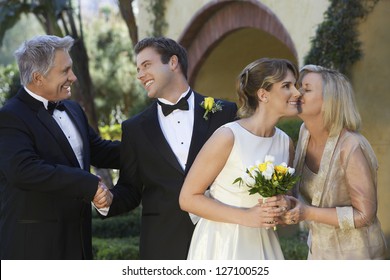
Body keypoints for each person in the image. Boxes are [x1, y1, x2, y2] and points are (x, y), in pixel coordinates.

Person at [99, 36, 237, 260]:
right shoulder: (134, 129)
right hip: (162, 245)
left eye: (146, 65)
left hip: (220, 237)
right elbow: (130, 190)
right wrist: (106, 200)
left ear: (173, 63)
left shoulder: (224, 113)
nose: (140, 75)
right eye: (138, 69)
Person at [0, 35, 120, 259]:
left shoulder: (73, 109)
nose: (73, 77)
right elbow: (24, 170)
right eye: (65, 71)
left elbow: (100, 151)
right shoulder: (9, 117)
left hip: (78, 245)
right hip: (33, 250)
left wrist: (150, 147)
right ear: (38, 78)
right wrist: (88, 183)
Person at [179, 57, 301, 259]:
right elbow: (188, 198)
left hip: (263, 241)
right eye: (287, 86)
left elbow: (287, 199)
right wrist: (246, 216)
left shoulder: (285, 143)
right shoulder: (228, 136)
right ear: (263, 94)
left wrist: (284, 206)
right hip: (220, 243)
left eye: (295, 85)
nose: (297, 93)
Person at [283, 65, 387, 259]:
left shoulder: (351, 146)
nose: (297, 93)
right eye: (299, 87)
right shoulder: (304, 133)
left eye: (306, 88)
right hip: (318, 252)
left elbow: (365, 215)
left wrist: (307, 212)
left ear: (329, 101)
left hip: (357, 257)